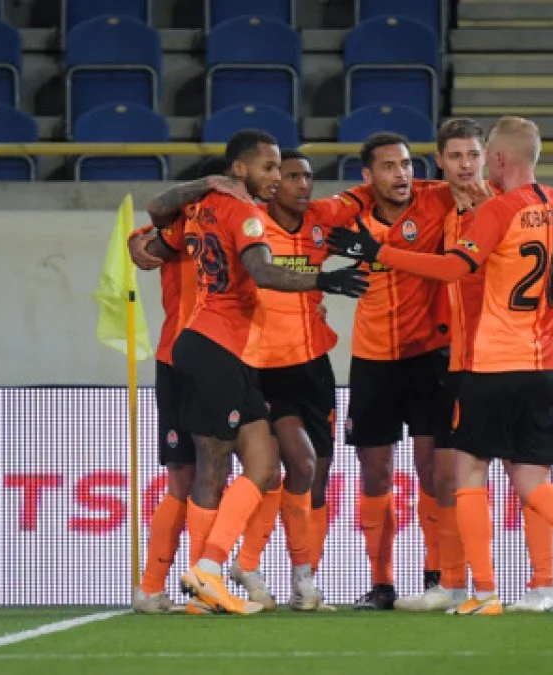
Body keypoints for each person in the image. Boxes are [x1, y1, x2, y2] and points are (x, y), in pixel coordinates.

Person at [328, 116, 553, 616]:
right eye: (455, 156)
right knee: (529, 476)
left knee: (468, 472)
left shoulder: (495, 210)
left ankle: (485, 590)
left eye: (475, 155)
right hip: (542, 361)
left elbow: (452, 268)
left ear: (493, 158)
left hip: (484, 360)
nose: (466, 165)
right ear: (440, 162)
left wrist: (380, 253)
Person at [137, 130, 369, 614]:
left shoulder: (200, 210)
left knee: (263, 464)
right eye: (270, 167)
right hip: (214, 347)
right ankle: (199, 581)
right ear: (240, 170)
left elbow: (159, 221)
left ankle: (211, 568)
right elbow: (262, 271)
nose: (278, 177)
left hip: (226, 351)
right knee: (211, 467)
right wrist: (324, 279)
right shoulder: (244, 213)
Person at [227, 150, 372, 611]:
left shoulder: (322, 219)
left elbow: (368, 195)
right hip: (265, 366)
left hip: (314, 365)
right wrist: (146, 238)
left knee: (317, 475)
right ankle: (253, 563)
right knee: (296, 464)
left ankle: (303, 578)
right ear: (272, 183)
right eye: (291, 176)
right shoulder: (251, 224)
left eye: (307, 176)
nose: (301, 184)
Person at [342, 133, 457, 610]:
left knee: (433, 471)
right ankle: (382, 583)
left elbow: (491, 189)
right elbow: (292, 220)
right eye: (389, 167)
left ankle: (436, 575)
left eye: (407, 164)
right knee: (375, 474)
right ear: (368, 176)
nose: (402, 174)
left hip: (430, 354)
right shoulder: (348, 212)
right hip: (373, 359)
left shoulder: (438, 198)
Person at [127, 160, 235, 615]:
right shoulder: (175, 227)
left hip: (225, 360)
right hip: (180, 359)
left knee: (216, 473)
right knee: (187, 477)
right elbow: (141, 246)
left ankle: (198, 586)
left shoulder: (239, 225)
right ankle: (155, 588)